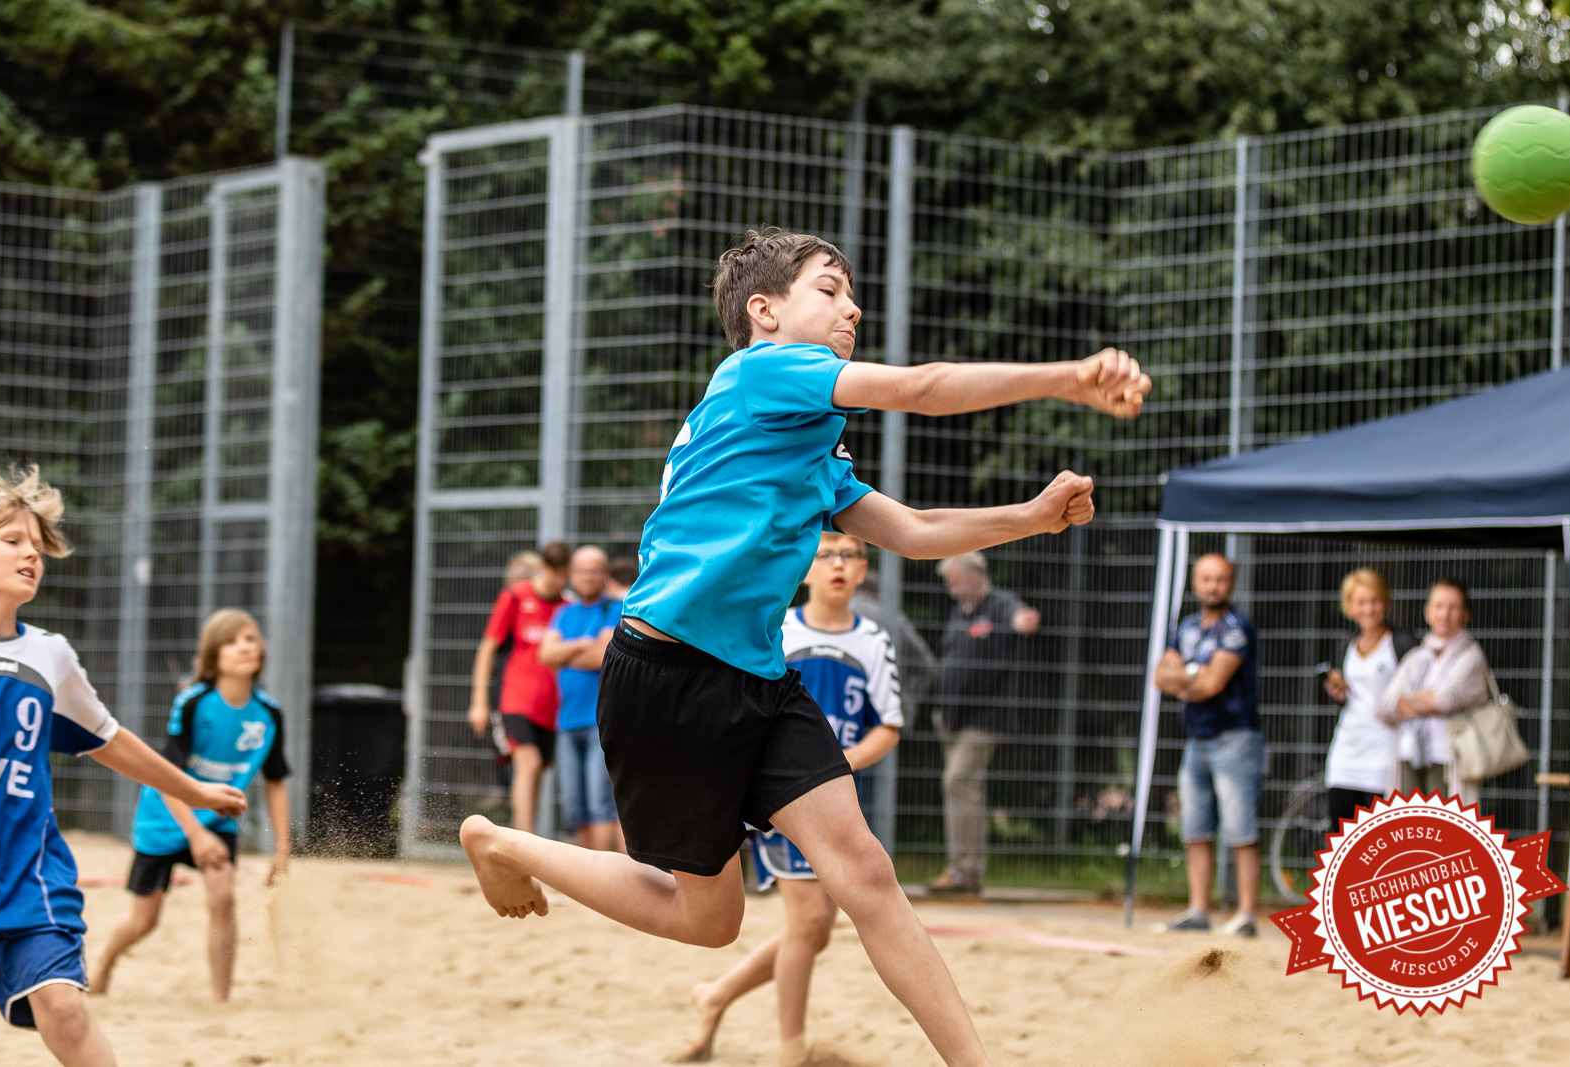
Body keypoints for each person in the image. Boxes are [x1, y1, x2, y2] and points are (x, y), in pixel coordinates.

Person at [458, 227, 1149, 1067]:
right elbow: (925, 387)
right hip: (668, 674)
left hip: (758, 677)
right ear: (765, 310)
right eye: (830, 288)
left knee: (864, 872)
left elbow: (916, 530)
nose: (851, 304)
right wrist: (1070, 378)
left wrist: (1030, 517)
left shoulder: (811, 440)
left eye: (852, 292)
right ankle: (503, 841)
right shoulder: (762, 371)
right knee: (708, 920)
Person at [0, 467, 245, 1067]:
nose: (31, 554)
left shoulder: (47, 655)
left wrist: (194, 791)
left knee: (67, 1012)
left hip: (27, 877)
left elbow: (111, 740)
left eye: (37, 545)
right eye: (12, 540)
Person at [677, 530, 903, 1066]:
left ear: (865, 570)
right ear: (804, 569)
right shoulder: (776, 630)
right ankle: (792, 1052)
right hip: (780, 799)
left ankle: (717, 995)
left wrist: (834, 766)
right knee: (807, 924)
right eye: (825, 555)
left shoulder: (873, 639)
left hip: (836, 798)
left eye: (850, 555)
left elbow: (888, 726)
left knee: (816, 930)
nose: (838, 564)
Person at [90, 609, 290, 1002]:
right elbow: (164, 776)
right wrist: (194, 834)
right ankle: (105, 961)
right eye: (232, 641)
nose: (244, 647)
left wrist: (282, 849)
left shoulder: (269, 713)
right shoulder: (194, 702)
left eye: (250, 638)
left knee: (223, 898)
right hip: (164, 819)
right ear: (214, 655)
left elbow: (276, 782)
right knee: (144, 921)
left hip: (218, 820)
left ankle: (221, 1001)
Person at [1152, 552, 1261, 938]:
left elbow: (1211, 685)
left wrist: (1183, 679)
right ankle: (1198, 909)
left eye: (1220, 579)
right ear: (1196, 583)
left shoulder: (1237, 628)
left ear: (1230, 584)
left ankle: (1246, 914)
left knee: (1240, 829)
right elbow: (1159, 677)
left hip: (1235, 738)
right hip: (1196, 739)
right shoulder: (1187, 626)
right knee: (1195, 827)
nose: (1213, 586)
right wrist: (1191, 679)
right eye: (1206, 579)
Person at [927, 552, 1040, 896]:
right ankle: (966, 873)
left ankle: (963, 871)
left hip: (984, 717)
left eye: (955, 582)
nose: (952, 591)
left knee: (958, 781)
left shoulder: (1000, 604)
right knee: (965, 790)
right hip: (952, 717)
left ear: (976, 576)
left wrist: (1025, 620)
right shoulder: (960, 612)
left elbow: (1020, 618)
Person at [468, 541, 570, 831]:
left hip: (551, 705)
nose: (557, 580)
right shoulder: (515, 596)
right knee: (528, 761)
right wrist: (478, 702)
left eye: (563, 573)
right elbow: (487, 649)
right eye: (552, 572)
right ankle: (524, 846)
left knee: (537, 770)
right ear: (542, 567)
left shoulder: (567, 606)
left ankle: (523, 841)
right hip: (514, 698)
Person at [537, 546, 623, 852]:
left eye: (594, 570)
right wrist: (585, 644)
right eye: (582, 571)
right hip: (567, 720)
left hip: (599, 721)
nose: (588, 577)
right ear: (572, 575)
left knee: (601, 801)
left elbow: (604, 656)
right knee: (575, 804)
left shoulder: (616, 608)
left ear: (604, 574)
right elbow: (545, 654)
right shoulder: (565, 613)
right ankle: (588, 871)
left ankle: (605, 874)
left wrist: (567, 651)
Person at [1378, 578, 1491, 805]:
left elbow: (1444, 700)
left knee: (1443, 833)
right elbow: (1386, 705)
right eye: (1438, 606)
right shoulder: (1418, 656)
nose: (1444, 614)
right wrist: (1426, 702)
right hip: (1409, 754)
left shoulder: (1471, 656)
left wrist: (1409, 700)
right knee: (1407, 832)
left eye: (1453, 607)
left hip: (1447, 758)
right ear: (1428, 612)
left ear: (1466, 614)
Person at [1321, 569, 1416, 832]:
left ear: (1385, 602)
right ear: (1350, 607)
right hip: (1346, 750)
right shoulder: (1347, 645)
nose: (1369, 609)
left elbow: (1416, 692)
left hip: (1384, 752)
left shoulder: (1401, 643)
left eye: (1375, 601)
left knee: (1378, 837)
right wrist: (1338, 694)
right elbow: (1352, 695)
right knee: (1340, 836)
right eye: (1361, 602)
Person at [849, 566, 937, 709]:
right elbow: (927, 664)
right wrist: (908, 698)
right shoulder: (896, 619)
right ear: (880, 593)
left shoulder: (838, 615)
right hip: (891, 707)